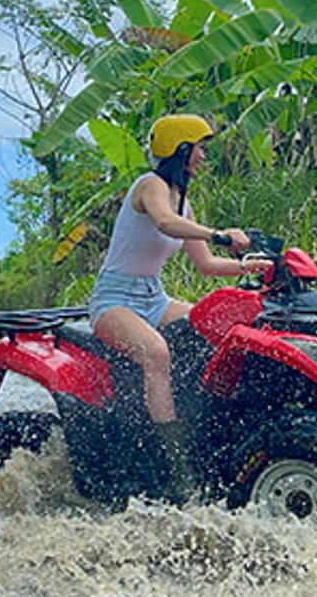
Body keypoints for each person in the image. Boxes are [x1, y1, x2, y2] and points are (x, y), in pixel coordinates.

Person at [87, 114, 265, 497]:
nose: (203, 156)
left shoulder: (184, 202)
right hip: (114, 300)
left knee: (217, 328)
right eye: (199, 148)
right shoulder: (149, 185)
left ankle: (210, 419)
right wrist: (220, 234)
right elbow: (165, 223)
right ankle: (176, 465)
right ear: (181, 149)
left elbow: (207, 265)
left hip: (154, 298)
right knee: (156, 353)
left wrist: (252, 266)